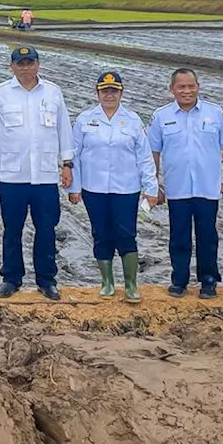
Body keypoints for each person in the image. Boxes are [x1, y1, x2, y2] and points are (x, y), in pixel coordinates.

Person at [0, 45, 73, 301]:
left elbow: (64, 130)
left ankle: (46, 280)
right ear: (12, 67)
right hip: (12, 176)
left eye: (30, 62)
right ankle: (11, 278)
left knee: (46, 230)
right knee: (12, 229)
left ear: (38, 64)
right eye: (20, 63)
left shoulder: (53, 93)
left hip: (44, 177)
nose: (26, 67)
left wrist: (67, 164)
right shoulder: (0, 94)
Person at [66, 72, 158, 303]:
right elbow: (73, 154)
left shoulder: (133, 120)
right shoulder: (85, 119)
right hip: (93, 188)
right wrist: (74, 188)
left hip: (126, 188)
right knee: (101, 234)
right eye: (104, 90)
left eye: (113, 90)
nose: (109, 95)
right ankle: (107, 283)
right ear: (97, 93)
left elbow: (144, 157)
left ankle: (131, 285)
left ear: (121, 93)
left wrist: (151, 187)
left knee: (126, 234)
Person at [148, 68, 223, 299]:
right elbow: (153, 152)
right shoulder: (161, 116)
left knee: (208, 236)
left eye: (191, 86)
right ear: (172, 89)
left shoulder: (215, 113)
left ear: (198, 87)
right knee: (179, 236)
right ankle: (179, 280)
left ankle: (208, 280)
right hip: (177, 188)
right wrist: (154, 184)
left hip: (207, 188)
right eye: (181, 87)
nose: (186, 91)